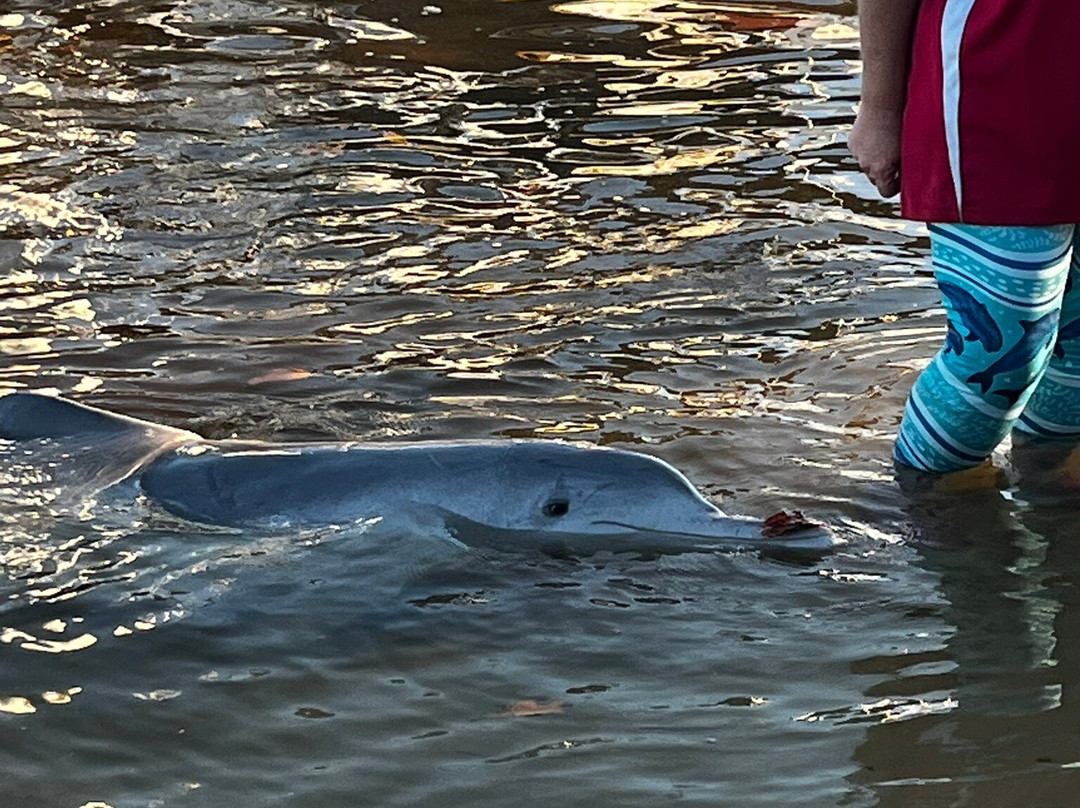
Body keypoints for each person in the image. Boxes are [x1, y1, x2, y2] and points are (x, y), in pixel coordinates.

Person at [848, 1, 1080, 473]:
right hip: (1000, 71)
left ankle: (1043, 495)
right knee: (1001, 348)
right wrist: (879, 107)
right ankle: (920, 507)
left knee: (1075, 341)